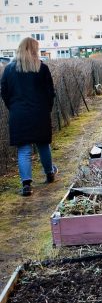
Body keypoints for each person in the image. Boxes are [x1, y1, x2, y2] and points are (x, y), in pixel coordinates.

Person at [1, 37, 57, 196]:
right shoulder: (42, 68)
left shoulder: (9, 69)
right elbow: (50, 93)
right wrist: (47, 109)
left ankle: (26, 184)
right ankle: (49, 174)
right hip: (39, 113)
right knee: (43, 145)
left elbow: (4, 92)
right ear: (34, 50)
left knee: (24, 149)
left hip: (18, 114)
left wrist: (13, 108)